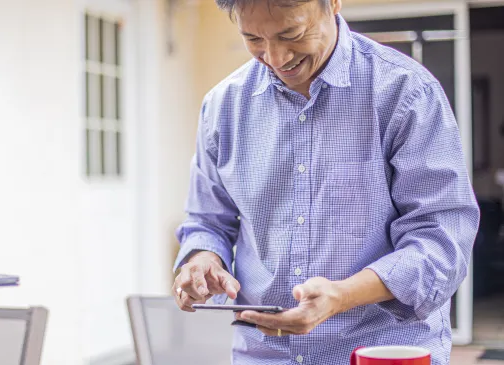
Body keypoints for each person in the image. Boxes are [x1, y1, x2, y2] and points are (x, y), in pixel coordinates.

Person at [170, 0, 480, 364]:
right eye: (253, 38)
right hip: (263, 355)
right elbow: (206, 222)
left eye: (292, 34)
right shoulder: (222, 106)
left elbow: (441, 241)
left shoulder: (405, 92)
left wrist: (342, 295)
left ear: (332, 3)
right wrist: (202, 258)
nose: (275, 57)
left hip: (382, 352)